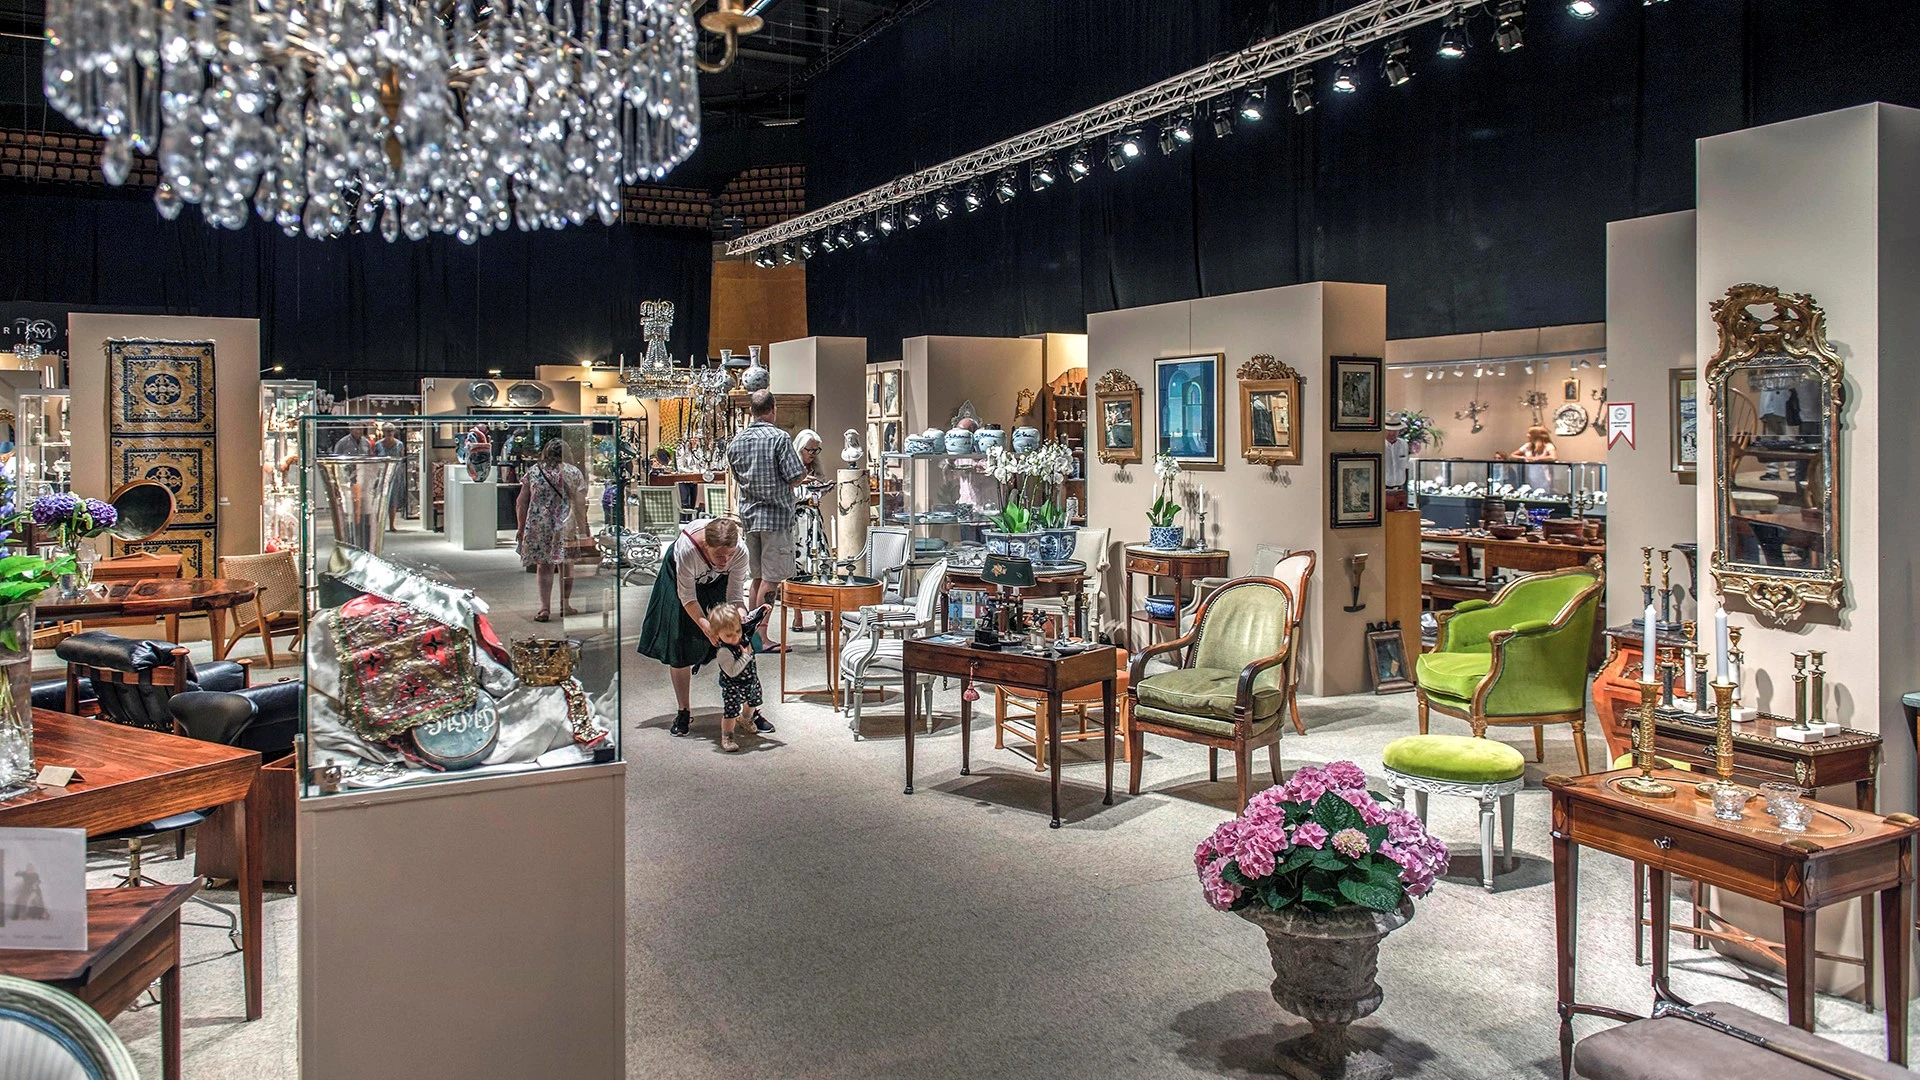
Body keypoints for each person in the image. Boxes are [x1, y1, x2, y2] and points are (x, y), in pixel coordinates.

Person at [638, 516, 750, 736]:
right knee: (679, 642)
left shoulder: (739, 551)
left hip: (715, 579)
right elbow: (688, 597)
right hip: (679, 578)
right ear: (706, 545)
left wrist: (742, 620)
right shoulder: (688, 550)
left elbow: (736, 597)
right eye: (719, 555)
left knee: (739, 642)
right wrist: (705, 625)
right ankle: (683, 710)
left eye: (729, 555)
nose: (725, 560)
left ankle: (750, 708)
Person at [726, 389, 806, 637]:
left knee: (758, 578)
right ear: (773, 409)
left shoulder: (736, 442)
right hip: (776, 517)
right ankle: (761, 635)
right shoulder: (779, 438)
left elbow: (738, 479)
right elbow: (795, 476)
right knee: (772, 579)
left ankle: (752, 634)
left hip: (749, 517)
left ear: (752, 411)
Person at [515, 439, 588, 623]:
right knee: (566, 565)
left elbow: (521, 502)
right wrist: (584, 528)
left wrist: (521, 527)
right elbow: (580, 503)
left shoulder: (534, 471)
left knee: (544, 566)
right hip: (566, 525)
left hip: (540, 525)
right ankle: (565, 605)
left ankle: (544, 608)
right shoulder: (573, 472)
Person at [706, 601, 775, 752]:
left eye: (737, 631)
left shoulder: (742, 635)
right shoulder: (724, 651)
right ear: (717, 634)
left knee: (753, 702)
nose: (735, 636)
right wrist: (744, 657)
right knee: (731, 713)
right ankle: (727, 736)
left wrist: (762, 610)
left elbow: (750, 619)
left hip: (751, 680)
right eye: (728, 635)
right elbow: (732, 671)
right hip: (733, 686)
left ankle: (745, 719)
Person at [372, 423, 407, 530]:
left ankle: (392, 524)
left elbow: (401, 458)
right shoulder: (378, 444)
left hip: (395, 474)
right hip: (382, 474)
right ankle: (380, 524)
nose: (389, 433)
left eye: (391, 431)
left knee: (393, 500)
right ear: (383, 432)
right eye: (387, 431)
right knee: (381, 499)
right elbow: (375, 459)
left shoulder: (399, 444)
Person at [1513, 425, 1557, 491]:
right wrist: (1524, 458)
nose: (1527, 435)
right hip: (1530, 477)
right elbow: (1512, 455)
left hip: (1544, 478)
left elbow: (1553, 457)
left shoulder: (1548, 446)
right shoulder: (1527, 446)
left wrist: (1537, 459)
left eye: (1529, 433)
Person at [1382, 416, 1411, 512]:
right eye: (1389, 430)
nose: (1392, 433)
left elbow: (1405, 466)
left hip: (1400, 489)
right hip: (1383, 489)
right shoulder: (1379, 444)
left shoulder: (1404, 444)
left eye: (1395, 431)